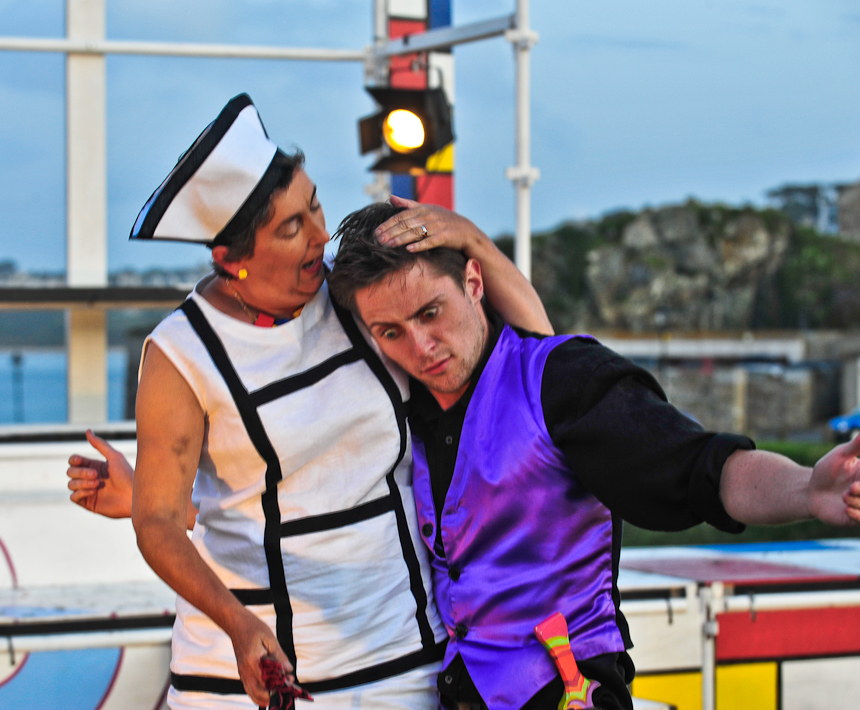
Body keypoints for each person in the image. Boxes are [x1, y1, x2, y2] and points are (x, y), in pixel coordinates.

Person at [66, 93, 551, 710]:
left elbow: (535, 359)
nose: (321, 235)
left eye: (315, 204)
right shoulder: (181, 353)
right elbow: (157, 523)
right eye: (292, 227)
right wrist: (239, 625)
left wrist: (471, 239)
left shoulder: (357, 295)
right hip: (247, 682)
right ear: (232, 259)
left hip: (404, 663)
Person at [324, 202, 860, 710]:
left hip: (567, 690)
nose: (420, 348)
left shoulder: (563, 381)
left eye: (430, 313)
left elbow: (698, 465)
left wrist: (805, 489)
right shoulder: (400, 408)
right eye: (390, 332)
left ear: (474, 283)